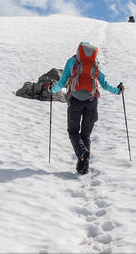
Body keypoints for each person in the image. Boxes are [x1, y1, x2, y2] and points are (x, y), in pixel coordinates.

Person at [45, 42, 124, 174]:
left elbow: (63, 81)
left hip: (75, 101)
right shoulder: (94, 63)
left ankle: (82, 153)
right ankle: (83, 167)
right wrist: (117, 90)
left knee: (73, 132)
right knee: (85, 135)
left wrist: (51, 90)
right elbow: (104, 83)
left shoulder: (72, 61)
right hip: (91, 101)